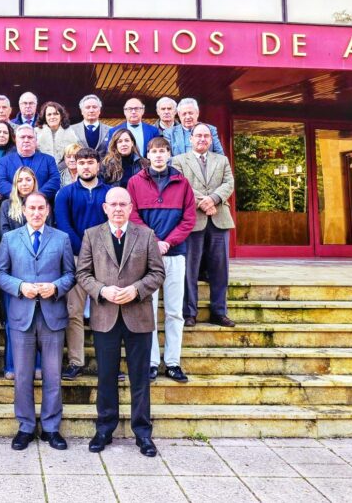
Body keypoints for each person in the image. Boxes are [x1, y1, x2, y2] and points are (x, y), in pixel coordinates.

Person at [76, 187, 165, 457]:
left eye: (122, 204)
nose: (117, 208)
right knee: (105, 376)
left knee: (140, 378)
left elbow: (158, 272)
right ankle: (104, 429)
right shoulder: (92, 235)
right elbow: (83, 273)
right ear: (105, 208)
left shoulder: (146, 234)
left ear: (130, 207)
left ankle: (143, 433)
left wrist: (137, 290)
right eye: (112, 204)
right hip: (106, 317)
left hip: (138, 316)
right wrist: (102, 291)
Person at [0, 191, 75, 451]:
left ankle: (51, 427)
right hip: (21, 316)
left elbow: (70, 275)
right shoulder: (9, 239)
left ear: (48, 210)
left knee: (53, 375)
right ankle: (26, 426)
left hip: (52, 315)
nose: (37, 212)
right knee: (23, 376)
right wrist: (20, 287)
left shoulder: (61, 239)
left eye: (41, 208)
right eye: (32, 208)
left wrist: (56, 287)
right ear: (24, 211)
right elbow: (0, 274)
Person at [127, 137, 196, 383]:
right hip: (147, 254)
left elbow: (189, 219)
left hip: (175, 254)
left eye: (162, 151)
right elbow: (132, 216)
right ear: (148, 154)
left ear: (169, 153)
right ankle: (152, 361)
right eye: (154, 151)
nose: (158, 155)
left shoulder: (182, 183)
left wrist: (169, 242)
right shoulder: (135, 182)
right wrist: (154, 241)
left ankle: (174, 362)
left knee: (175, 311)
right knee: (149, 309)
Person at [171, 124, 236, 328]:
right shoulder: (179, 160)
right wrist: (204, 201)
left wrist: (214, 199)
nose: (202, 139)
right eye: (198, 135)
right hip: (193, 220)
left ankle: (219, 312)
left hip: (219, 219)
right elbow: (181, 184)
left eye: (206, 136)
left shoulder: (222, 160)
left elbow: (229, 183)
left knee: (220, 269)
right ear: (190, 139)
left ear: (210, 139)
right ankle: (189, 312)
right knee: (189, 268)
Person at [53, 147, 110, 380]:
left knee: (104, 313)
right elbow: (63, 226)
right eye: (81, 162)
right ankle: (76, 362)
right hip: (74, 258)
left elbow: (112, 223)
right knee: (74, 311)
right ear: (74, 165)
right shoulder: (65, 194)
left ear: (98, 165)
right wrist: (84, 250)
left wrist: (97, 251)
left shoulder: (110, 192)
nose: (86, 166)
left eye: (90, 162)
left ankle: (107, 364)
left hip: (106, 258)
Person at [0, 166, 43, 379]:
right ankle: (12, 366)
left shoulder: (42, 205)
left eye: (28, 179)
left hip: (41, 271)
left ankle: (37, 365)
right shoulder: (6, 206)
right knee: (13, 322)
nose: (25, 183)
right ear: (15, 184)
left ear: (34, 182)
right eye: (21, 180)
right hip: (15, 271)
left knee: (39, 322)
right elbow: (5, 234)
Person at [0, 125, 61, 200]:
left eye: (30, 137)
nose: (26, 140)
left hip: (41, 206)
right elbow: (0, 183)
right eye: (22, 137)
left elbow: (55, 180)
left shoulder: (48, 160)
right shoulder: (4, 161)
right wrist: (19, 196)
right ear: (16, 140)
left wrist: (37, 197)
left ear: (36, 141)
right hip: (14, 206)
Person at [36, 101, 79, 165]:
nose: (52, 117)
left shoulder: (71, 133)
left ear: (61, 116)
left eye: (56, 114)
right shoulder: (36, 133)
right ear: (45, 117)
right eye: (49, 114)